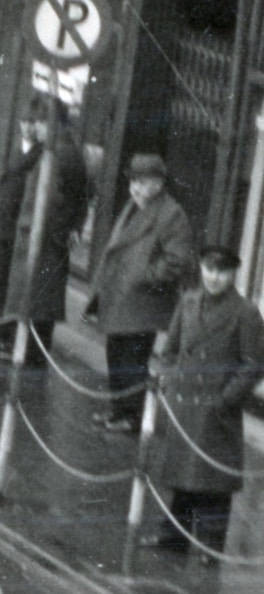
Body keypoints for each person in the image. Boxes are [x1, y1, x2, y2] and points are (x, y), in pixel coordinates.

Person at [142, 246, 264, 560]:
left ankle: (210, 546)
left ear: (233, 273)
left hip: (216, 408)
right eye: (209, 269)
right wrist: (169, 379)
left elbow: (253, 364)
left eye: (222, 271)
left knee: (213, 480)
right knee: (182, 473)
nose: (214, 277)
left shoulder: (245, 312)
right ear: (200, 267)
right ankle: (173, 538)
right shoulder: (188, 301)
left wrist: (225, 400)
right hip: (184, 403)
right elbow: (170, 348)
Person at [0, 93, 90, 366]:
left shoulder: (64, 153)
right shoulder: (52, 151)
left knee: (40, 298)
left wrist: (66, 228)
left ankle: (33, 352)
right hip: (34, 233)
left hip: (47, 238)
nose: (36, 128)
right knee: (29, 295)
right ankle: (24, 347)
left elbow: (78, 194)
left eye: (41, 123)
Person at [85, 153, 194, 433]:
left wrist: (143, 276)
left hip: (143, 302)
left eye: (142, 182)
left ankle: (132, 417)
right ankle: (119, 409)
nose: (135, 187)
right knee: (116, 354)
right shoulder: (135, 206)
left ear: (158, 183)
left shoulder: (171, 214)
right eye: (133, 181)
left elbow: (177, 260)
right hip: (121, 297)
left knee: (132, 360)